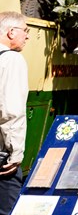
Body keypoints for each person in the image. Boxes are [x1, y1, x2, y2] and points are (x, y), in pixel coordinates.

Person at [0, 11, 29, 215]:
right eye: (25, 31)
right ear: (11, 32)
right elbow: (10, 111)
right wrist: (15, 153)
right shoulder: (11, 60)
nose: (27, 36)